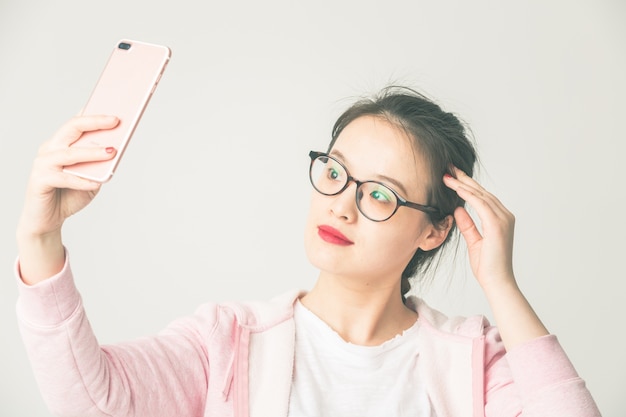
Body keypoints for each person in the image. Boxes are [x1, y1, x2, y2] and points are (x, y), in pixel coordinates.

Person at [15, 86, 601, 417]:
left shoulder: (474, 358)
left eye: (379, 194)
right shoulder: (228, 340)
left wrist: (501, 285)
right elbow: (93, 401)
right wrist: (41, 239)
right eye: (336, 172)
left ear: (434, 230)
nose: (340, 206)